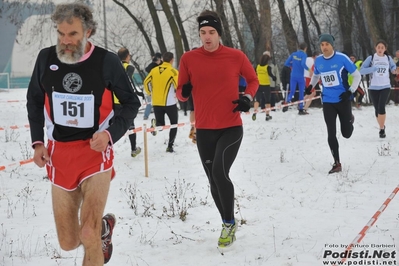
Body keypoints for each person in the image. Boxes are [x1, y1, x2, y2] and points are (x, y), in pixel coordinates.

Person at [26, 2, 141, 265]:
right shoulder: (46, 58)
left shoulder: (107, 62)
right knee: (68, 242)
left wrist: (109, 134)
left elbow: (131, 104)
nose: (65, 41)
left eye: (73, 34)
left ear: (88, 32)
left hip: (94, 154)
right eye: (61, 34)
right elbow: (34, 99)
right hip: (59, 156)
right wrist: (37, 143)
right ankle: (103, 230)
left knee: (86, 233)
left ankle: (95, 232)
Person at [176, 10, 258, 248]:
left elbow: (253, 81)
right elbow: (180, 92)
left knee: (220, 172)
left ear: (219, 33)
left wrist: (247, 97)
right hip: (204, 130)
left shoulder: (235, 56)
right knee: (213, 180)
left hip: (231, 127)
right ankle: (227, 222)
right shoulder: (189, 59)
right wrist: (186, 90)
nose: (207, 37)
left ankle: (229, 223)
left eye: (211, 32)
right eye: (203, 32)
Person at [305, 33, 361, 174]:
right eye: (322, 45)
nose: (324, 47)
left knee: (346, 133)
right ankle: (337, 163)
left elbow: (357, 75)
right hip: (328, 101)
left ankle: (350, 120)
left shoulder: (342, 59)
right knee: (331, 132)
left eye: (327, 44)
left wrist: (351, 91)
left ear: (332, 45)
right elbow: (317, 75)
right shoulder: (318, 61)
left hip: (343, 99)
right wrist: (310, 86)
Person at [360, 40, 397, 138]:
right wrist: (372, 69)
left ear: (385, 49)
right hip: (373, 87)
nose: (380, 49)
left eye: (382, 48)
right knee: (377, 109)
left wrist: (394, 71)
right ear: (375, 48)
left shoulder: (388, 58)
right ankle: (382, 126)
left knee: (381, 106)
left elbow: (393, 69)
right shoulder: (371, 58)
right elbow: (361, 71)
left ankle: (381, 130)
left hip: (385, 86)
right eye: (378, 47)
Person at [143, 52, 179, 152]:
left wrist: (149, 92)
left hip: (156, 102)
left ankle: (156, 123)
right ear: (172, 60)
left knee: (160, 126)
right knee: (174, 124)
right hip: (169, 103)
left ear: (162, 59)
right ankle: (170, 146)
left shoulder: (154, 70)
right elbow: (177, 85)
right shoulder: (173, 71)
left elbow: (146, 82)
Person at [117, 47, 144, 157]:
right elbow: (128, 81)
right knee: (130, 125)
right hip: (125, 101)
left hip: (113, 101)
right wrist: (137, 93)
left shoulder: (114, 68)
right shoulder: (130, 67)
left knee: (109, 125)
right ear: (128, 56)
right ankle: (133, 149)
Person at [283, 42, 312, 114]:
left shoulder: (293, 54)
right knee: (301, 92)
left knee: (292, 91)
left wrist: (292, 65)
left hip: (293, 75)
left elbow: (286, 63)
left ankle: (287, 102)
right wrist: (309, 69)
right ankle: (301, 109)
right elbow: (303, 64)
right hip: (300, 76)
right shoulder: (304, 55)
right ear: (305, 48)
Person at [252, 53, 276, 121]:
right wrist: (274, 78)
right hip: (266, 85)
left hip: (259, 85)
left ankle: (255, 112)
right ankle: (267, 115)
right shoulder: (268, 67)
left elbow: (254, 73)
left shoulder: (257, 67)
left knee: (257, 100)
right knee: (267, 101)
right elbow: (271, 75)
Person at [143, 52, 162, 121]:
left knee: (151, 102)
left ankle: (147, 114)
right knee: (150, 102)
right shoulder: (154, 67)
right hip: (151, 86)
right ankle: (146, 115)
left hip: (152, 86)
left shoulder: (155, 66)